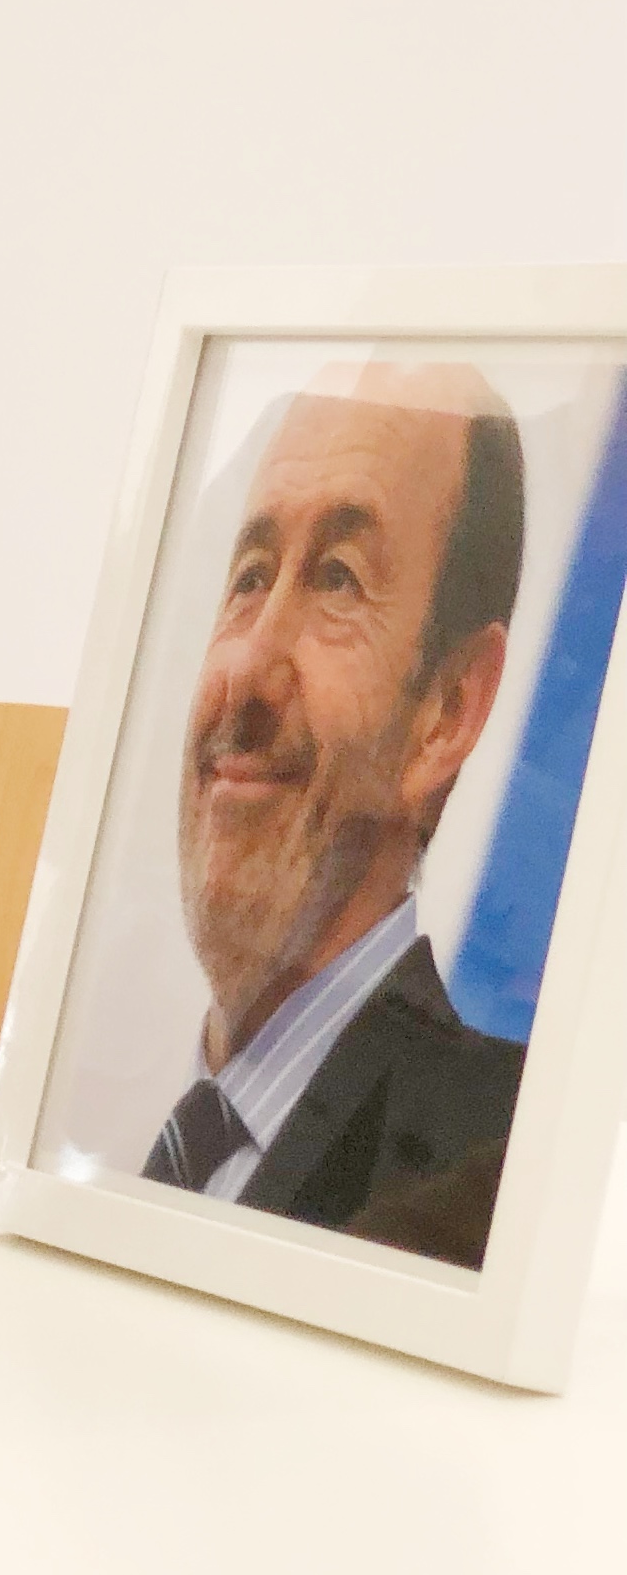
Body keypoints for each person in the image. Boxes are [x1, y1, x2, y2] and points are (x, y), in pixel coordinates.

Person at [142, 364, 529, 1262]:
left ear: (446, 713)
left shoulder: (495, 1171)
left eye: (338, 580)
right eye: (250, 575)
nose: (245, 667)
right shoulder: (132, 1137)